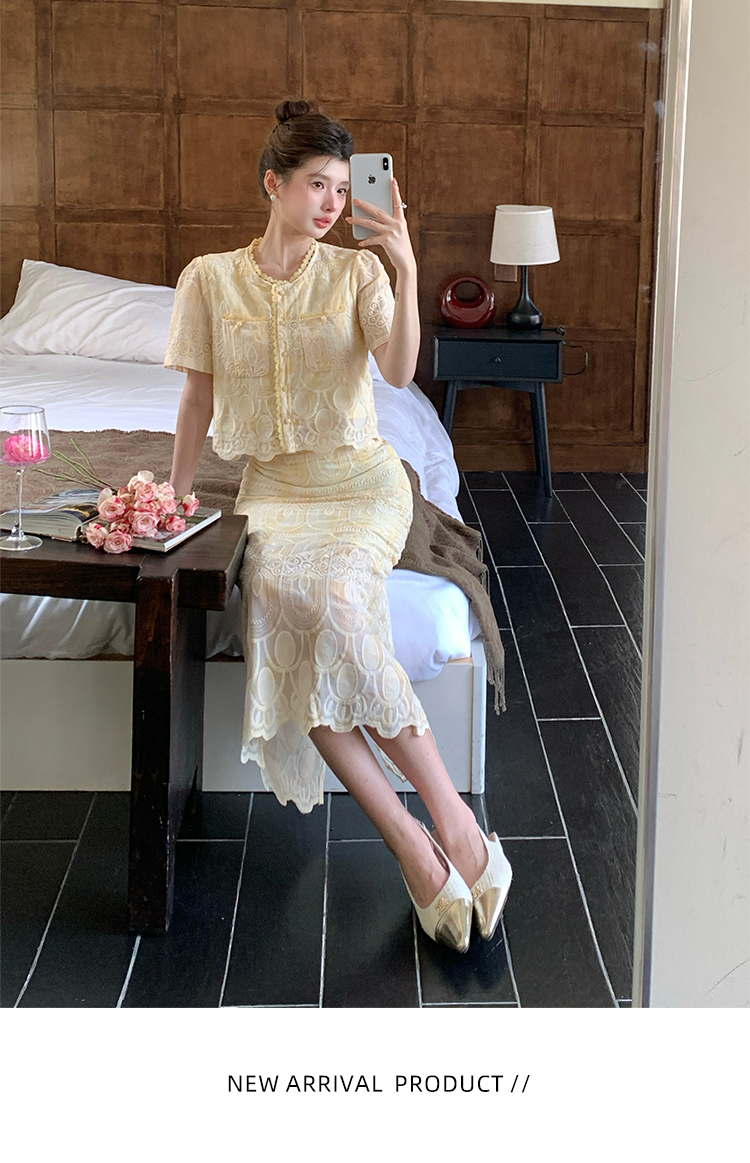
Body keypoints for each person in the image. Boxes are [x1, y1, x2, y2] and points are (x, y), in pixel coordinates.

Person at [164, 98, 511, 954]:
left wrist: (404, 264)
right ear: (272, 184)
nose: (330, 203)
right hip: (275, 493)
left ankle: (455, 828)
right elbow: (197, 400)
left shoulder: (356, 274)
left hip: (361, 483)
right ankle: (415, 847)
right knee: (288, 612)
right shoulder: (208, 279)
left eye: (341, 187)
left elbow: (398, 370)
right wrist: (175, 496)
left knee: (340, 609)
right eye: (315, 184)